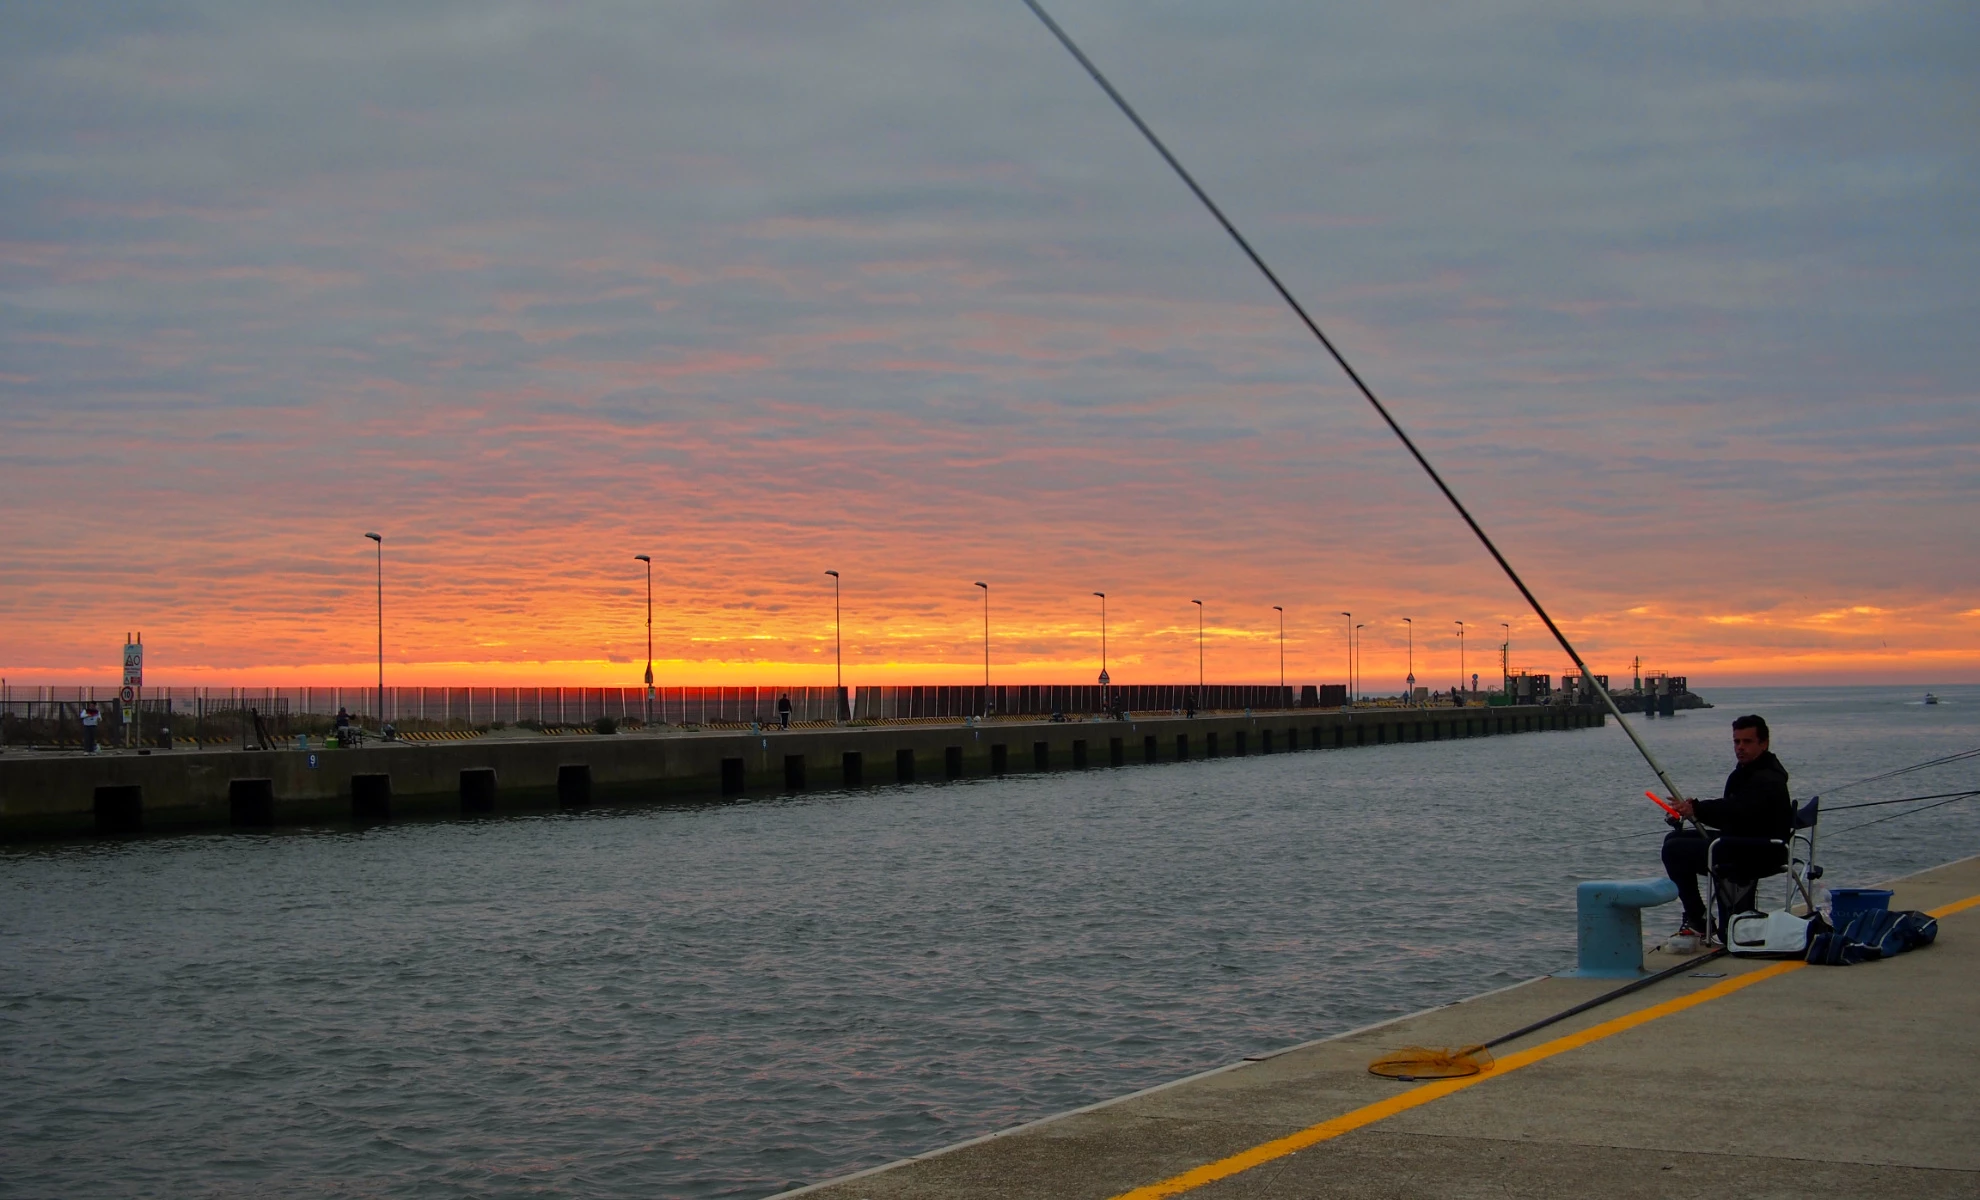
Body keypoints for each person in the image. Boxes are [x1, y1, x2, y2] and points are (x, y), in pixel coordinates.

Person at [1661, 714, 1794, 946]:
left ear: (1764, 744)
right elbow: (1731, 814)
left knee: (1674, 850)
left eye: (1747, 741)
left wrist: (1697, 809)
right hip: (1739, 840)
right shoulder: (1743, 773)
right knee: (1674, 838)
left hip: (1758, 849)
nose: (1740, 747)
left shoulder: (1768, 779)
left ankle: (1698, 918)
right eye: (1736, 741)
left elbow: (1737, 809)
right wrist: (1693, 810)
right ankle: (1699, 916)